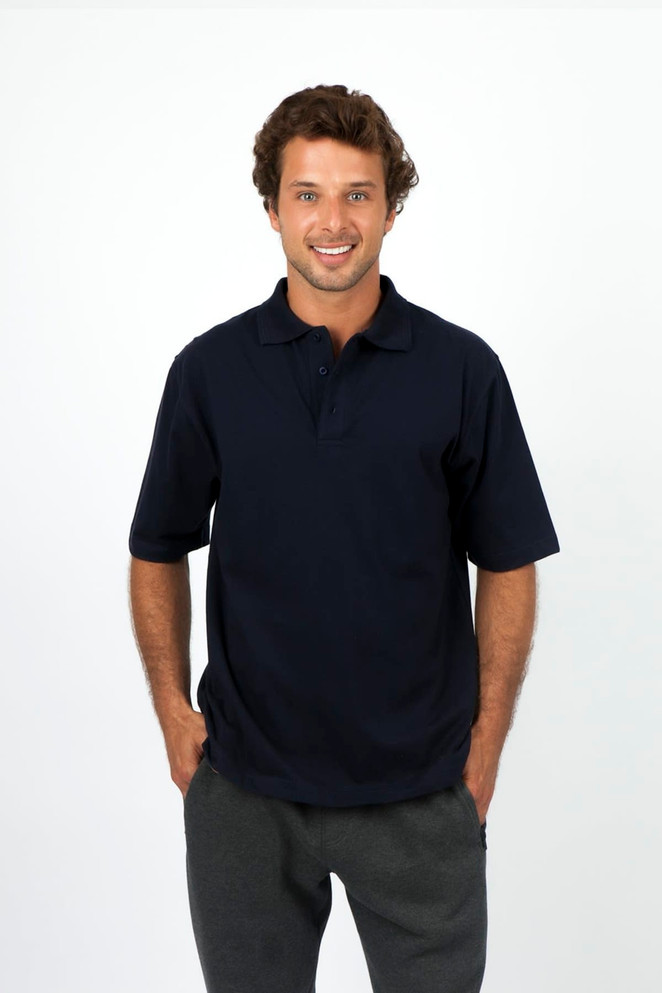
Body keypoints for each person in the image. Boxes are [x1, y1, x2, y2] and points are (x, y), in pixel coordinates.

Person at [128, 83, 560, 993]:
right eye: (309, 194)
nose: (334, 220)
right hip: (245, 794)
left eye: (357, 194)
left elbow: (507, 559)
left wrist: (484, 747)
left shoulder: (462, 371)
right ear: (274, 209)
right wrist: (173, 711)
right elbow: (157, 544)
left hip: (421, 794)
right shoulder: (209, 372)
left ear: (392, 208)